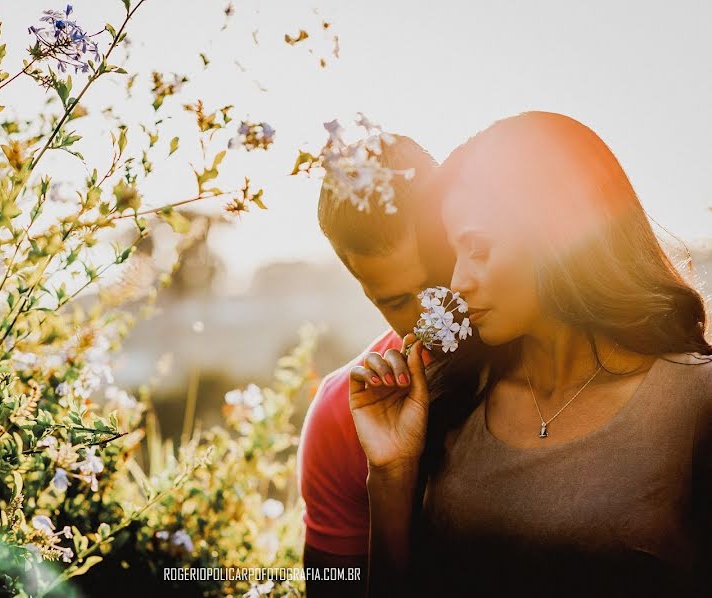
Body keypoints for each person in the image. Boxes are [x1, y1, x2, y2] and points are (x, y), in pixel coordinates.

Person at [351, 111, 712, 597]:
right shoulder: (451, 401)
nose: (458, 281)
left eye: (478, 249)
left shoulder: (696, 404)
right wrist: (392, 472)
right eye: (455, 255)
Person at [297, 133, 454, 597]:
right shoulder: (339, 417)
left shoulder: (548, 357)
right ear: (361, 286)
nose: (433, 315)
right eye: (397, 301)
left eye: (439, 280)